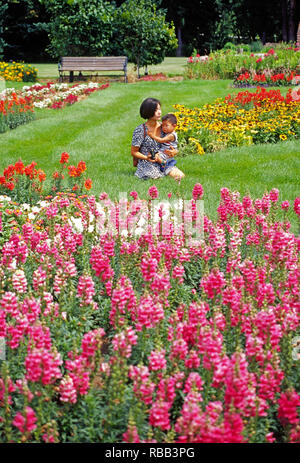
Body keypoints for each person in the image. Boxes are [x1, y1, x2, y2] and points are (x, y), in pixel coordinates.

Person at [131, 98, 185, 181]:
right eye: (156, 110)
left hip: (163, 162)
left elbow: (173, 143)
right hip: (148, 162)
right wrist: (146, 157)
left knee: (180, 176)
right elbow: (134, 152)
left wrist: (174, 151)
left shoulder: (164, 127)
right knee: (155, 178)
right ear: (148, 111)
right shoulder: (140, 130)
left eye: (159, 109)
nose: (159, 112)